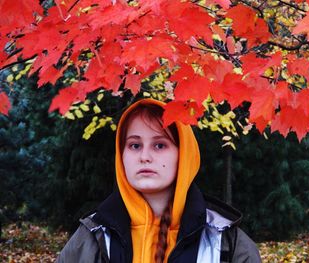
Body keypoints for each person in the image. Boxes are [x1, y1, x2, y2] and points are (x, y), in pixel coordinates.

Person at [56, 98, 261, 263]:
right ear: (121, 156)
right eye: (135, 145)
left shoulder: (224, 241)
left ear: (184, 155)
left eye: (159, 145)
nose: (145, 156)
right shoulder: (93, 236)